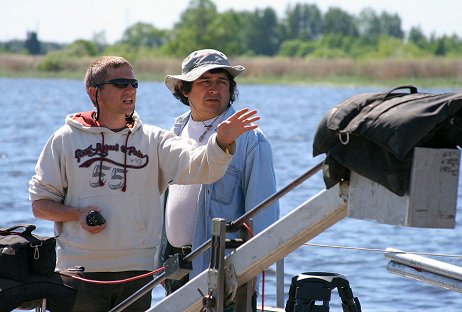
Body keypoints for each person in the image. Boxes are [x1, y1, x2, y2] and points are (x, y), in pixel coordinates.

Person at [28, 55, 259, 311]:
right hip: (78, 273)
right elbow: (40, 205)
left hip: (138, 275)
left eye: (134, 83)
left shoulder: (154, 140)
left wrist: (221, 143)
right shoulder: (64, 139)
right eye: (120, 83)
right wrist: (76, 214)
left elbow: (202, 167)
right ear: (95, 93)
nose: (130, 90)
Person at [161, 49, 279, 309]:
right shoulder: (174, 132)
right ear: (184, 89)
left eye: (222, 82)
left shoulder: (251, 139)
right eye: (205, 82)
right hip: (174, 268)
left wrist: (242, 276)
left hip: (223, 275)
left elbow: (264, 218)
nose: (214, 89)